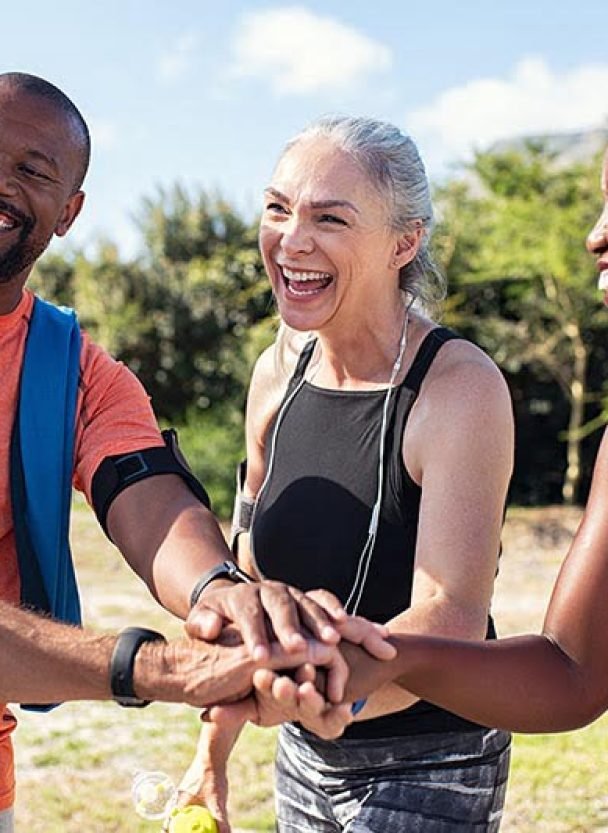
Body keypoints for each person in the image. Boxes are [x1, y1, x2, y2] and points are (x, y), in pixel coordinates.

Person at [0, 74, 391, 833]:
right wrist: (164, 666)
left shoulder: (74, 370)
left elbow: (147, 494)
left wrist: (227, 600)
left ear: (69, 214)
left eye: (32, 170)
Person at [179, 115, 515, 832]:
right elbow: (251, 582)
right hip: (303, 753)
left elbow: (450, 617)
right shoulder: (274, 374)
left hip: (432, 761)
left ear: (405, 241)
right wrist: (213, 748)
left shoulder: (458, 388)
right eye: (278, 208)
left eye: (329, 217)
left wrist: (312, 691)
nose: (291, 240)